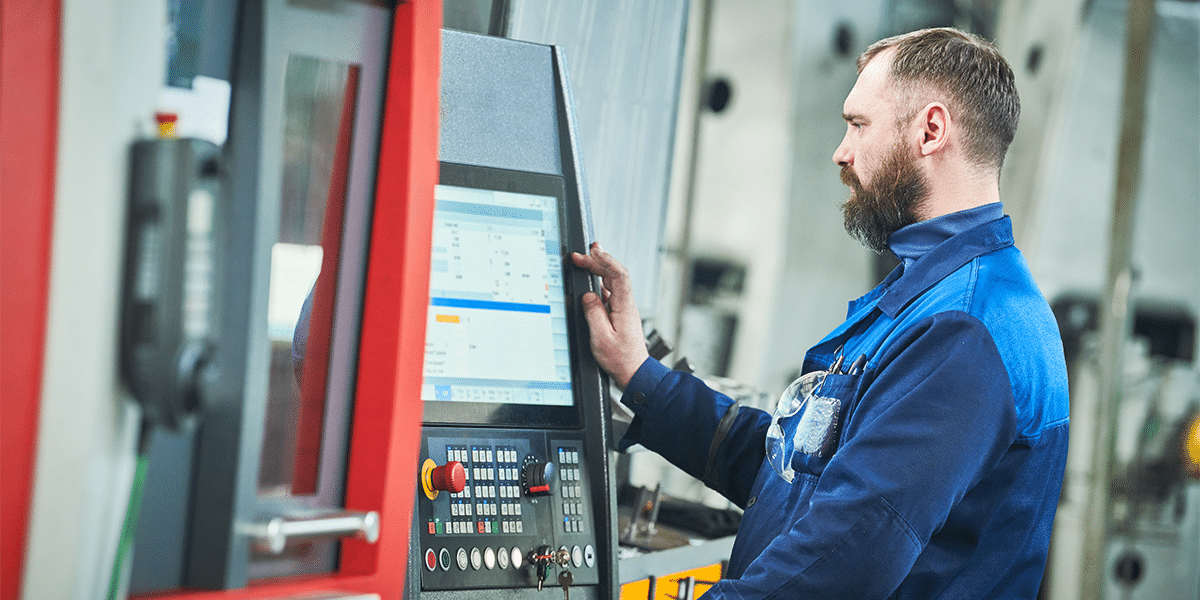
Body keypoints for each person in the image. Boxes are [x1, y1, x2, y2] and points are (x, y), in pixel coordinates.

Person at [571, 27, 1069, 599]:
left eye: (858, 124)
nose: (841, 151)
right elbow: (796, 468)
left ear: (931, 130)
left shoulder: (965, 327)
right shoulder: (934, 297)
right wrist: (641, 376)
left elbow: (840, 563)